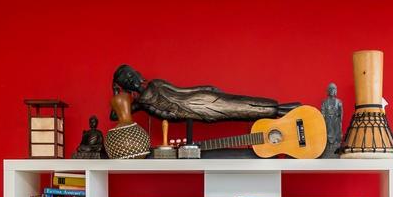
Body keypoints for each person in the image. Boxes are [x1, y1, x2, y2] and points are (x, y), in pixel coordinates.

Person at [112, 64, 294, 123]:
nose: (132, 81)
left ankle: (285, 110)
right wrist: (115, 91)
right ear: (126, 88)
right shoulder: (140, 104)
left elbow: (182, 90)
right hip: (189, 114)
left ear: (138, 74)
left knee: (238, 104)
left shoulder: (156, 83)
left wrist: (204, 88)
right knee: (230, 113)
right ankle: (284, 113)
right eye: (127, 82)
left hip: (197, 99)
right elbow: (115, 116)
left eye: (131, 76)